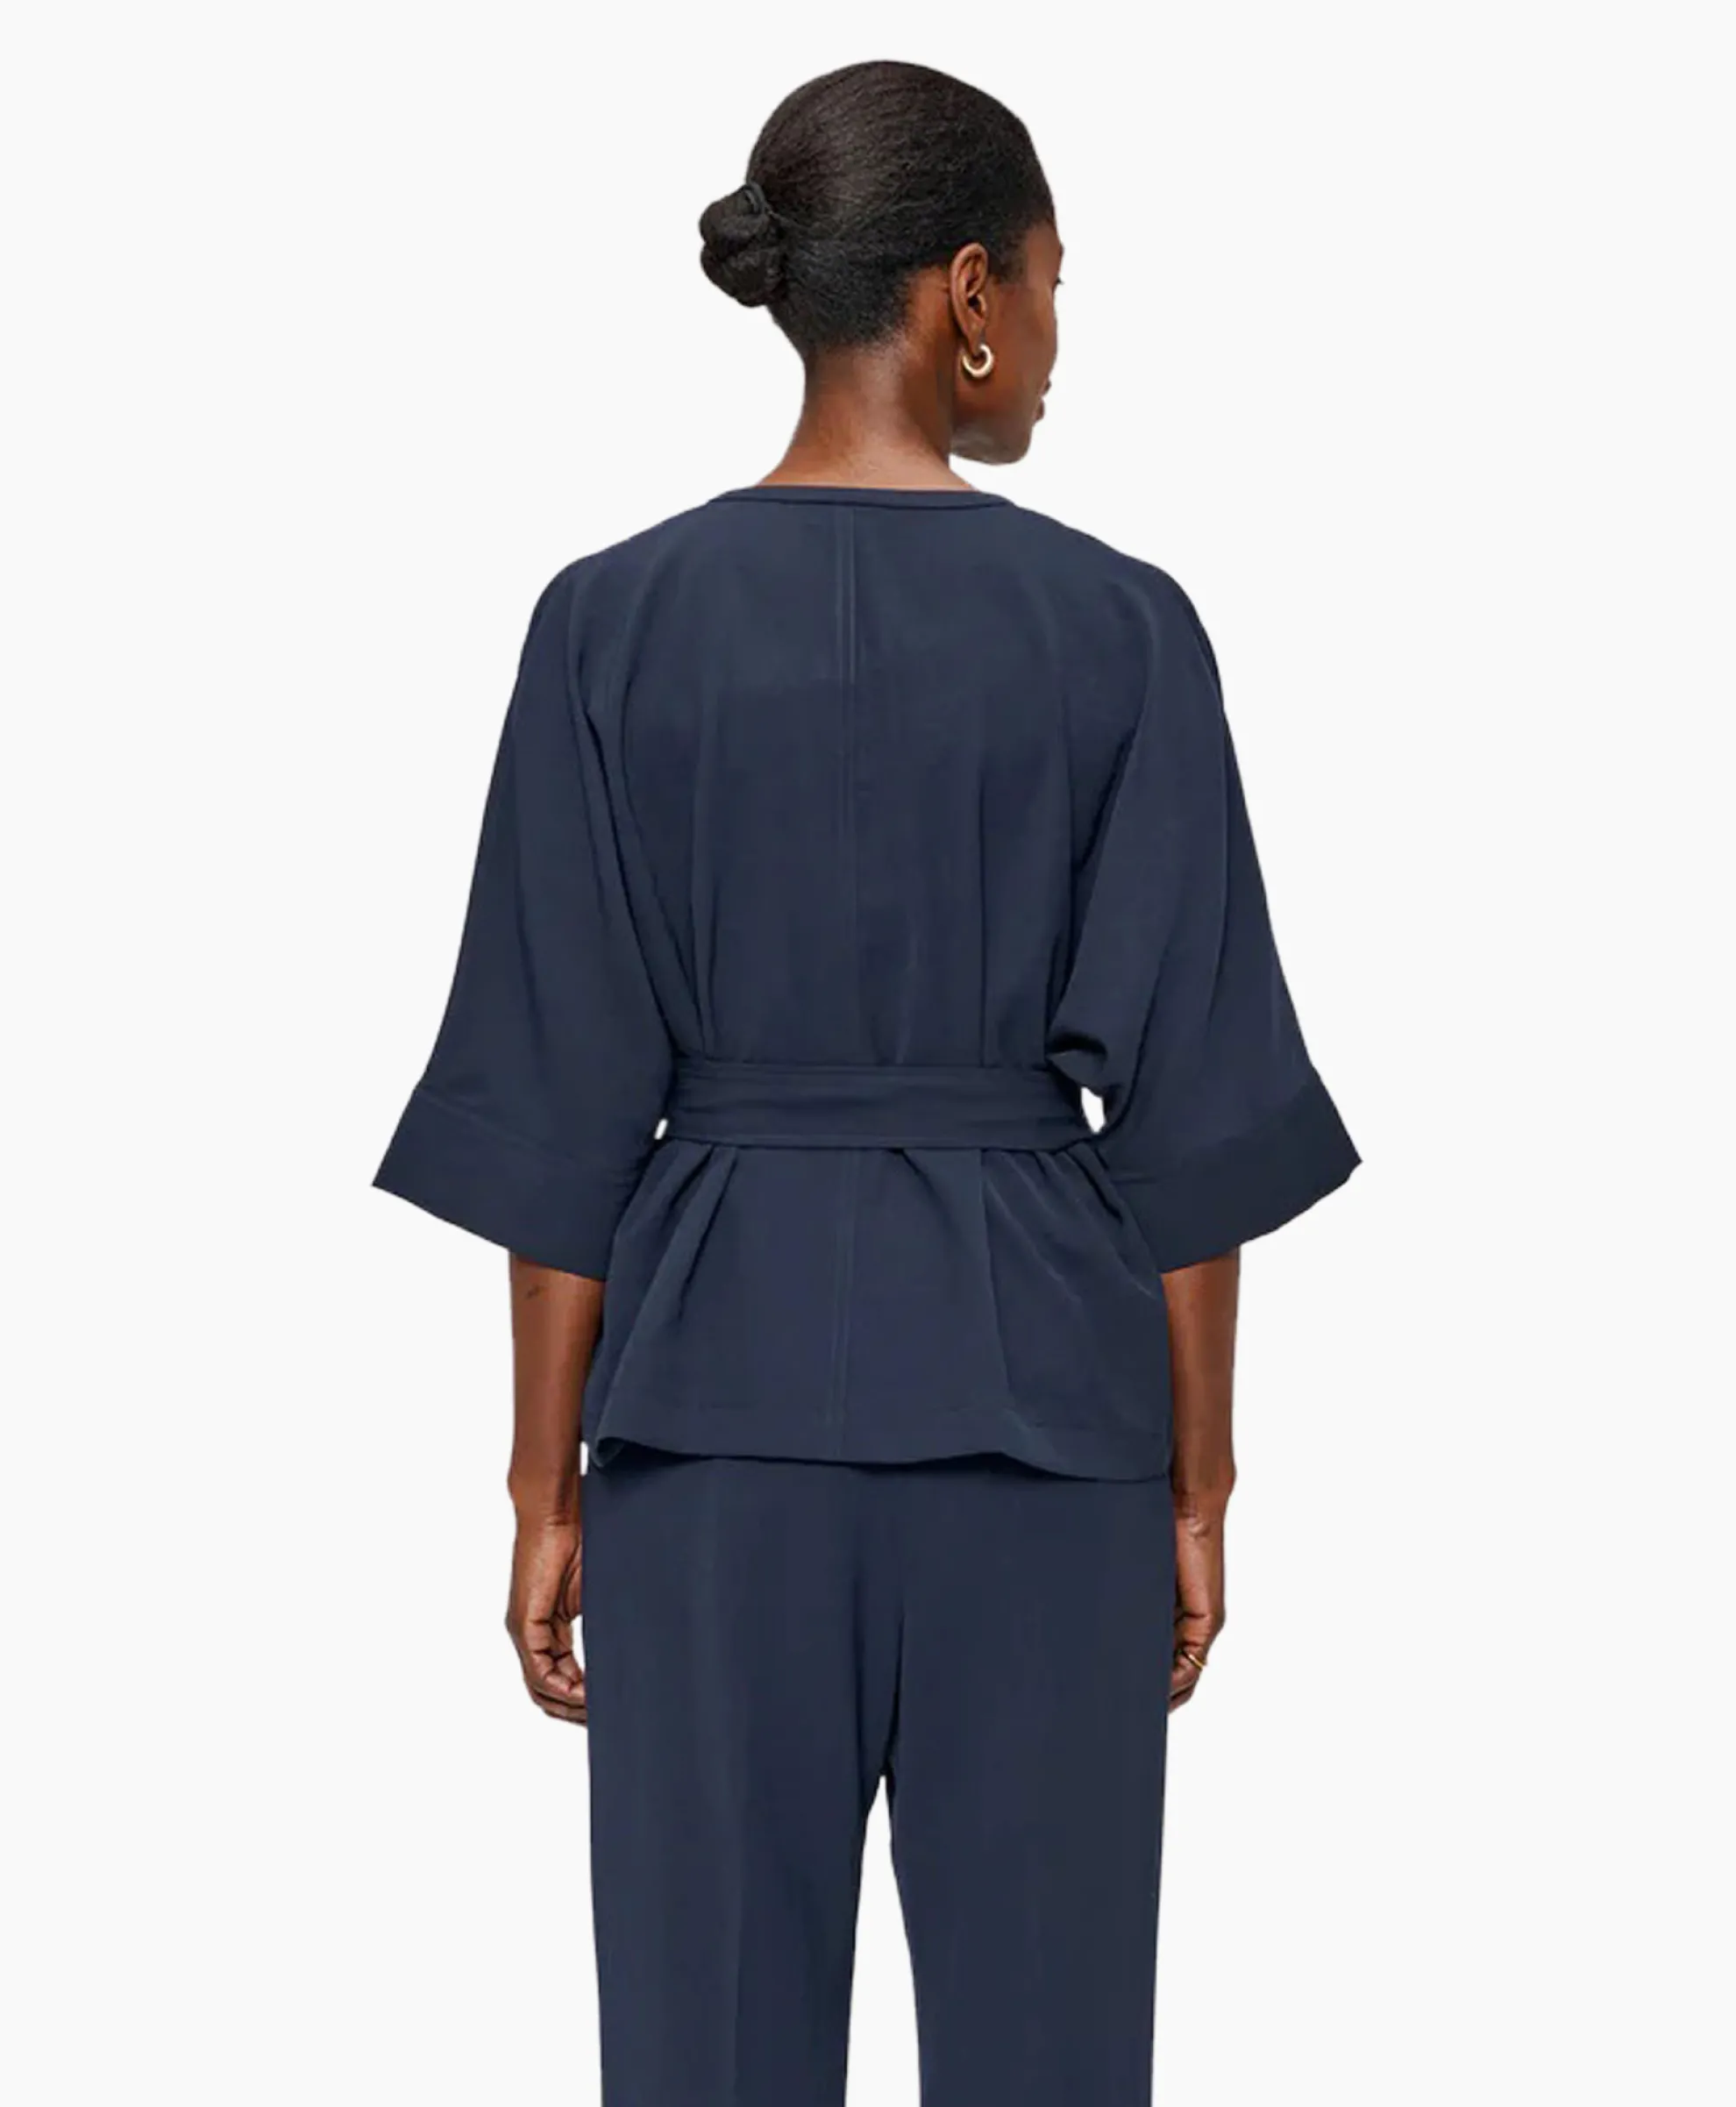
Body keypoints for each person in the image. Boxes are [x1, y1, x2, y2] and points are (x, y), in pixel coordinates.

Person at [374, 57, 1358, 2107]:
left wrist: (544, 1489)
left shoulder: (608, 628)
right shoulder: (1122, 632)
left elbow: (560, 1112)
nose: (1060, 338)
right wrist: (1201, 1483)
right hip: (1048, 1429)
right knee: (1050, 2057)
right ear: (966, 292)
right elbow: (1195, 1121)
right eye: (1057, 285)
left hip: (707, 1429)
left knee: (708, 2055)